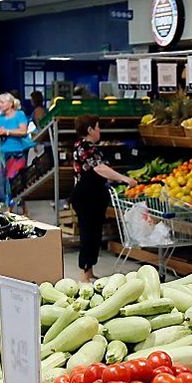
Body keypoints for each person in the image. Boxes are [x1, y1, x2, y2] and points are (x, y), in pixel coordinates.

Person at [70, 115, 137, 283]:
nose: (100, 131)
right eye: (98, 127)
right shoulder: (86, 147)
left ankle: (90, 270)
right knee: (89, 234)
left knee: (94, 233)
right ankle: (84, 275)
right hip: (86, 196)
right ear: (90, 130)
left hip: (92, 195)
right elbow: (100, 168)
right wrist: (124, 179)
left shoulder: (85, 146)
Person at [0, 92, 35, 209]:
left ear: (10, 103)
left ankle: (18, 205)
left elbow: (23, 131)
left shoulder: (20, 115)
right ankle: (10, 206)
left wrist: (7, 132)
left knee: (17, 178)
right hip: (4, 153)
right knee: (6, 180)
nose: (0, 105)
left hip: (18, 152)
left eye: (2, 102)